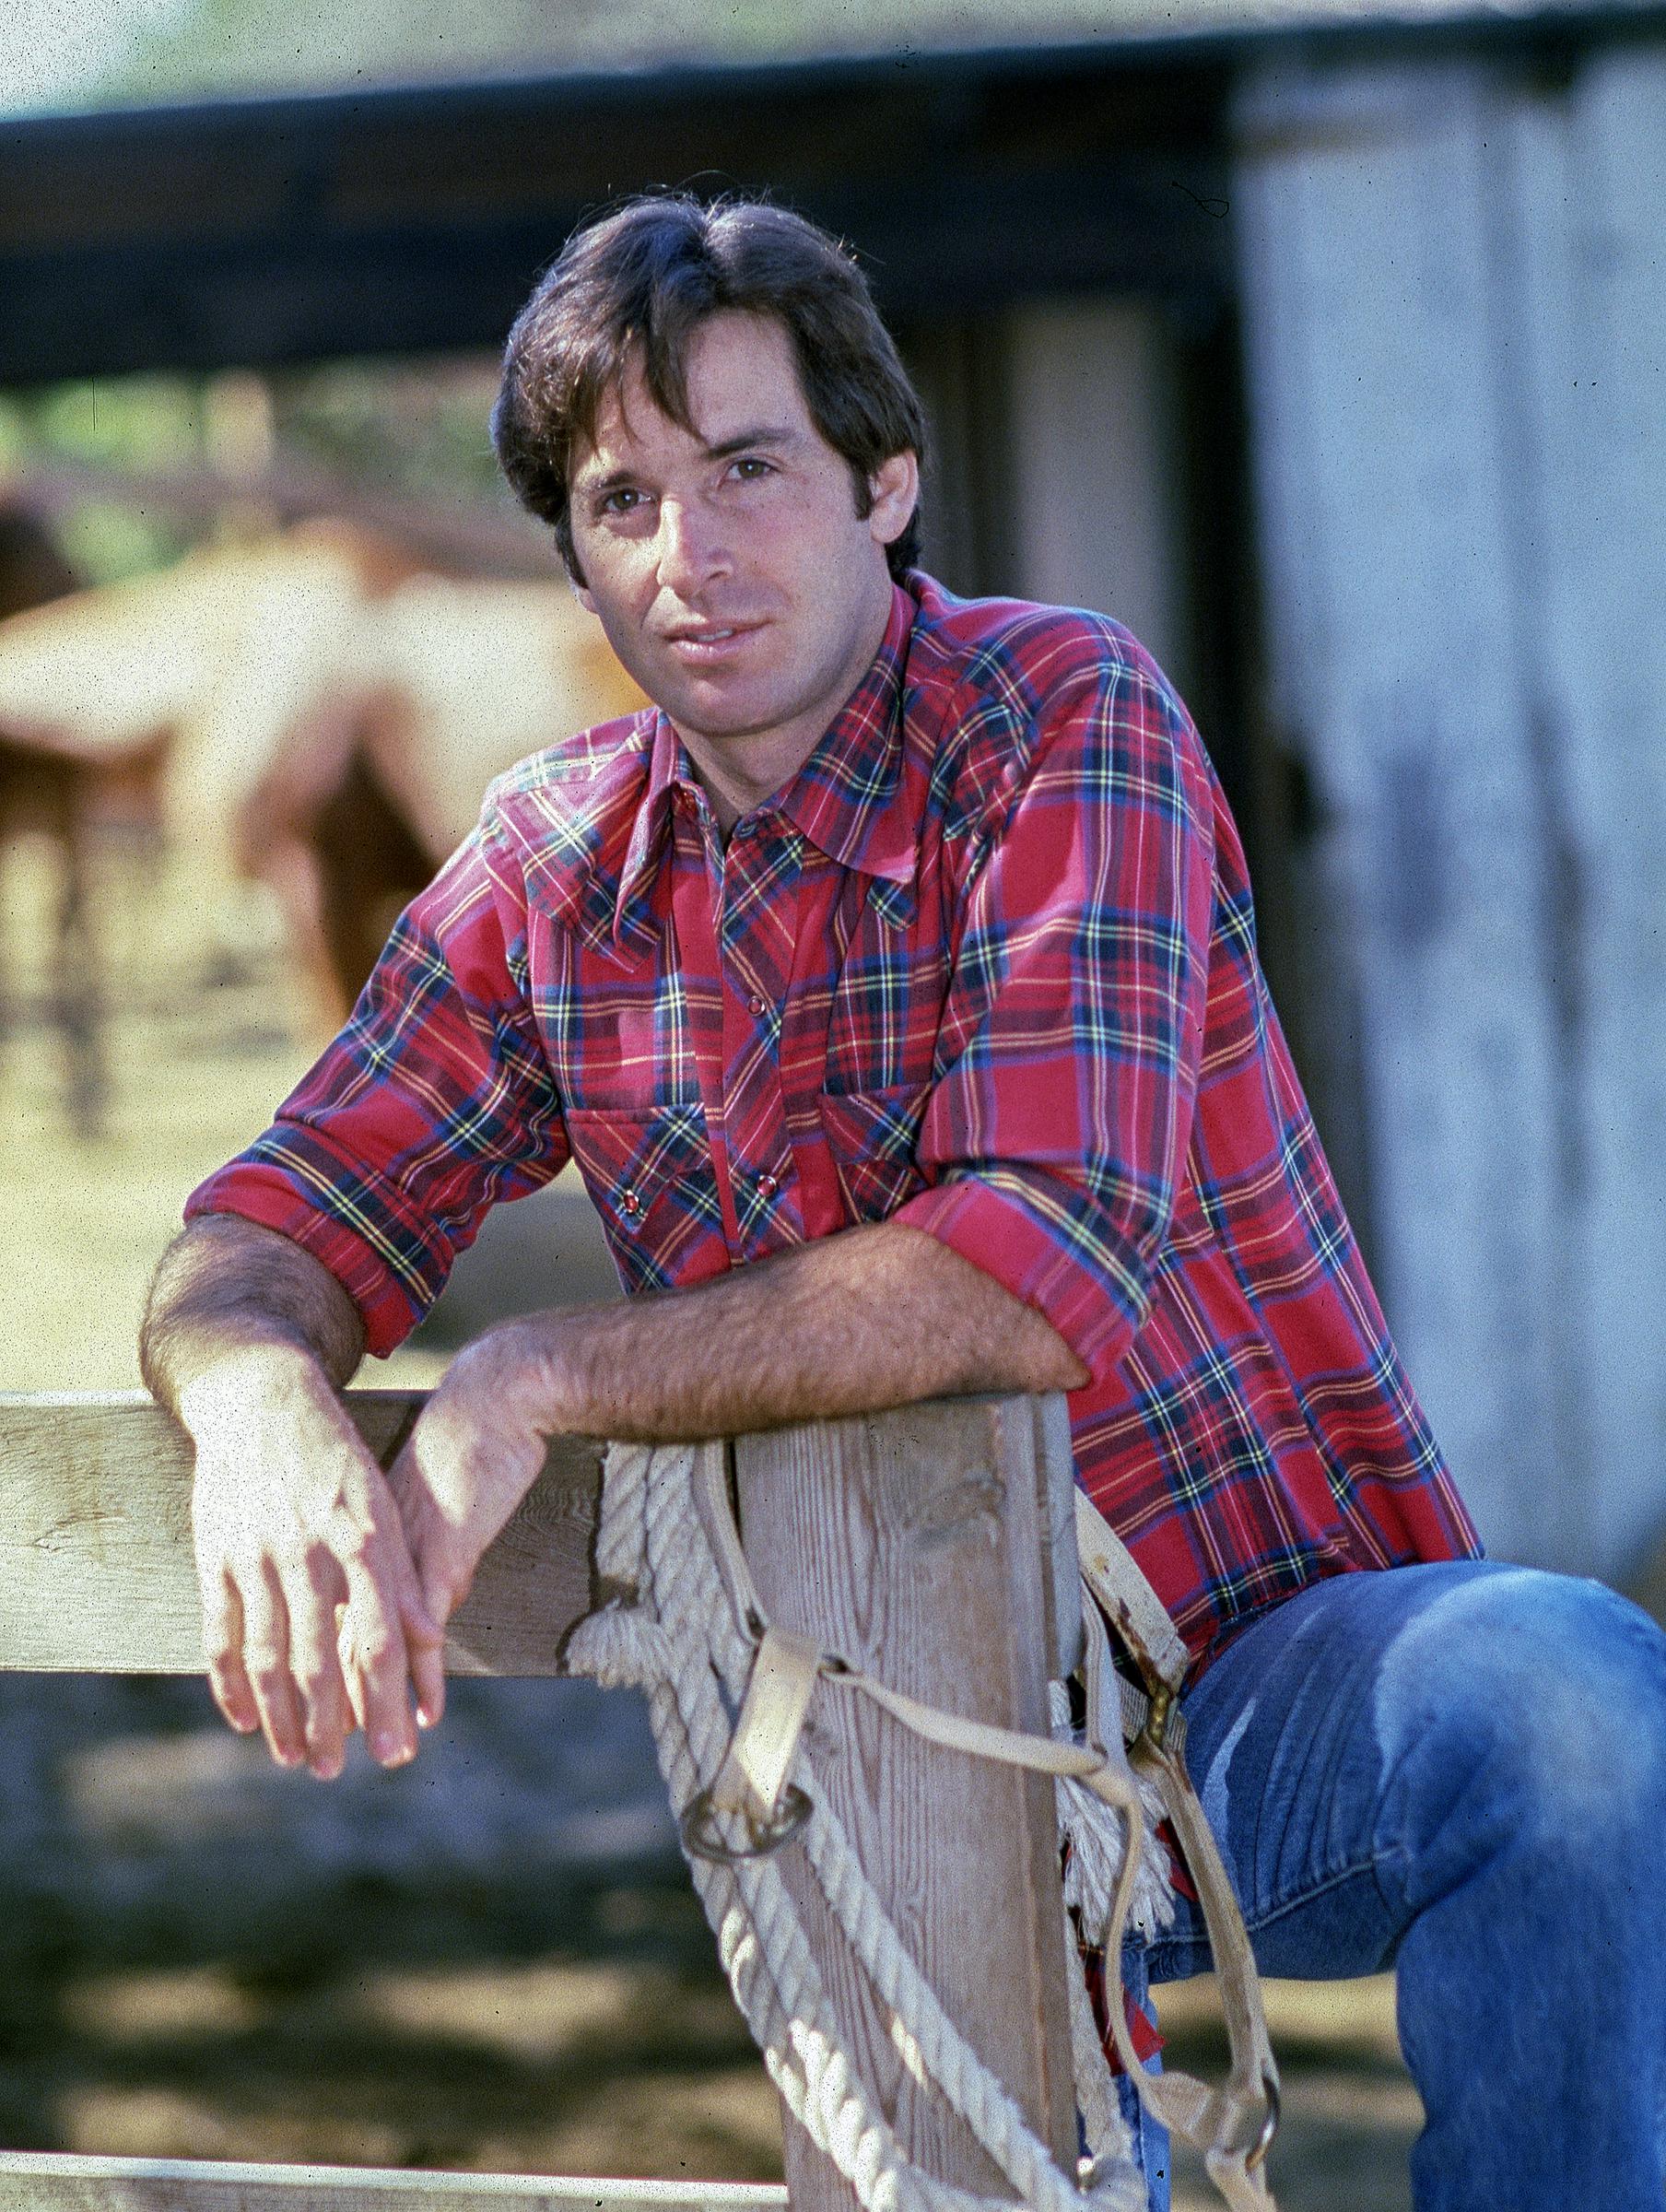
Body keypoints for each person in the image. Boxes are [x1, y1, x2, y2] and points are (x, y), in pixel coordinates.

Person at [139, 195, 1666, 2210]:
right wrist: (251, 1404)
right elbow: (273, 1218)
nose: (687, 559)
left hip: (1250, 1677)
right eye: (621, 500)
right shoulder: (548, 871)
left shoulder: (1061, 721)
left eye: (748, 468)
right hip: (873, 1752)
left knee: (1562, 1705)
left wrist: (529, 1373)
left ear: (885, 480)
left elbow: (1025, 1271)